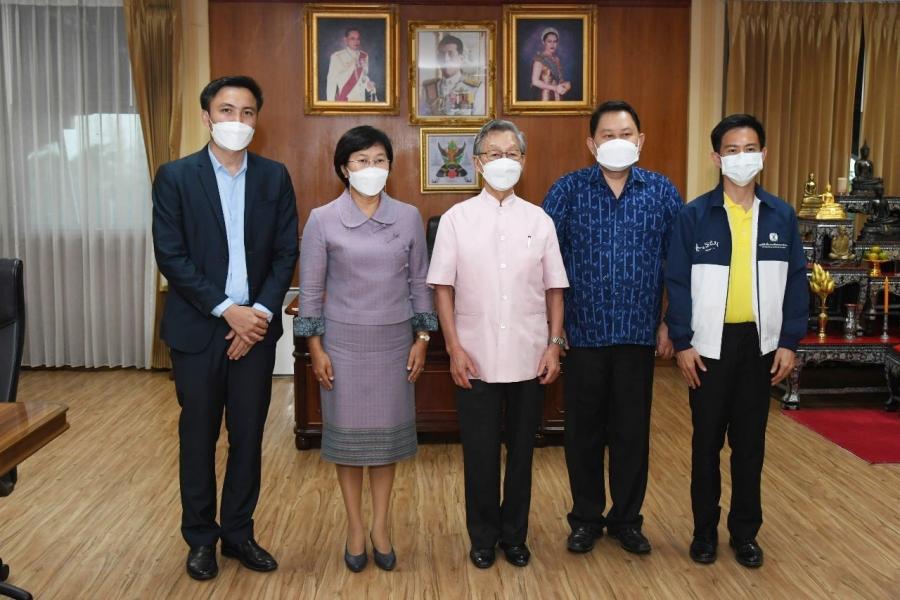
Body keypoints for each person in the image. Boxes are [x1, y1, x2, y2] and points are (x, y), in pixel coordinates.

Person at [152, 75, 298, 581]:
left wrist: (257, 314)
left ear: (257, 119)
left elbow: (285, 252)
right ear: (207, 116)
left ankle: (238, 533)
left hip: (254, 330)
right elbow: (171, 255)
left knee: (248, 436)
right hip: (198, 330)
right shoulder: (175, 177)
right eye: (227, 110)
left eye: (248, 112)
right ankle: (200, 539)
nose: (238, 120)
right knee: (198, 437)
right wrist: (225, 309)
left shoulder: (274, 177)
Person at [665, 114, 808, 568]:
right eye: (732, 150)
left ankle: (745, 534)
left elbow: (797, 281)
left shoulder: (781, 215)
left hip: (759, 347)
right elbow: (677, 283)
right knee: (706, 445)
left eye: (749, 149)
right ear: (716, 158)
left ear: (763, 154)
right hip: (708, 348)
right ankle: (704, 533)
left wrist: (789, 341)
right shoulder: (694, 215)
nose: (741, 157)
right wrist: (682, 342)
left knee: (750, 448)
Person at [543, 100, 683, 556]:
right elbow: (544, 263)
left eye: (626, 135)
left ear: (640, 141)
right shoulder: (567, 191)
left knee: (631, 434)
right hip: (582, 334)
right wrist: (553, 330)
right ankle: (585, 519)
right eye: (607, 135)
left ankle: (627, 519)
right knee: (582, 434)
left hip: (638, 335)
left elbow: (678, 264)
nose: (617, 142)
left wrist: (670, 322)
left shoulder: (662, 192)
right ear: (591, 143)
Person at [427, 119, 569, 569]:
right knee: (481, 453)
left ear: (523, 161)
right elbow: (442, 289)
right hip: (475, 356)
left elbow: (554, 289)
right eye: (494, 154)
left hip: (531, 355)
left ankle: (515, 536)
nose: (503, 161)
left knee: (523, 453)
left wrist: (554, 345)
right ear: (477, 163)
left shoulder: (540, 220)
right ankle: (483, 537)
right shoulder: (456, 220)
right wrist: (453, 348)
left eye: (512, 154)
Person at [294, 126, 437, 573]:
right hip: (343, 346)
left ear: (390, 166)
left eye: (379, 160)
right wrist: (315, 349)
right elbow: (311, 291)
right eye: (361, 161)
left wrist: (422, 339)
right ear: (344, 168)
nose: (371, 168)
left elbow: (420, 283)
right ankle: (355, 527)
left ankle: (380, 527)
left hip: (394, 344)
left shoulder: (408, 217)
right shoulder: (322, 219)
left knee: (385, 443)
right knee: (349, 443)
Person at [419, 34, 485, 116]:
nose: (445, 59)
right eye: (442, 54)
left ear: (461, 59)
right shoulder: (429, 87)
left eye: (450, 54)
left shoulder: (475, 88)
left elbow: (480, 121)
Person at [325, 28, 377, 102]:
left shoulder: (364, 56)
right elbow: (331, 82)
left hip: (361, 99)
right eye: (352, 38)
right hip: (345, 98)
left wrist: (368, 84)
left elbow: (363, 76)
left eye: (358, 39)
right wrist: (330, 103)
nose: (356, 41)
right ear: (345, 40)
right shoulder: (337, 57)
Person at [530, 28, 570, 101]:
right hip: (544, 97)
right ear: (543, 42)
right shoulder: (539, 59)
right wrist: (555, 88)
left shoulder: (557, 59)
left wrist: (565, 85)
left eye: (555, 41)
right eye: (549, 41)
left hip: (557, 97)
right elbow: (535, 81)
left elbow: (559, 80)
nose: (552, 44)